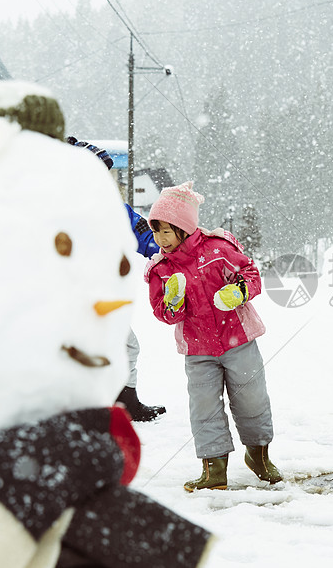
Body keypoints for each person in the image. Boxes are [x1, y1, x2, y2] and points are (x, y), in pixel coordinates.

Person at [144, 181, 282, 490]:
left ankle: (258, 455)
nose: (160, 239)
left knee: (251, 399)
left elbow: (251, 274)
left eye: (167, 230)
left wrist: (240, 291)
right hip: (197, 349)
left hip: (239, 340)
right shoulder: (161, 270)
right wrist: (174, 302)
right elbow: (165, 315)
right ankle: (214, 470)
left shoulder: (218, 250)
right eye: (156, 231)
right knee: (204, 406)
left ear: (184, 227)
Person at [66, 136, 166, 422]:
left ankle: (126, 403)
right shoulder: (54, 210)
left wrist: (179, 248)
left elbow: (146, 236)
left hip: (103, 296)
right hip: (65, 297)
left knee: (125, 346)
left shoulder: (114, 209)